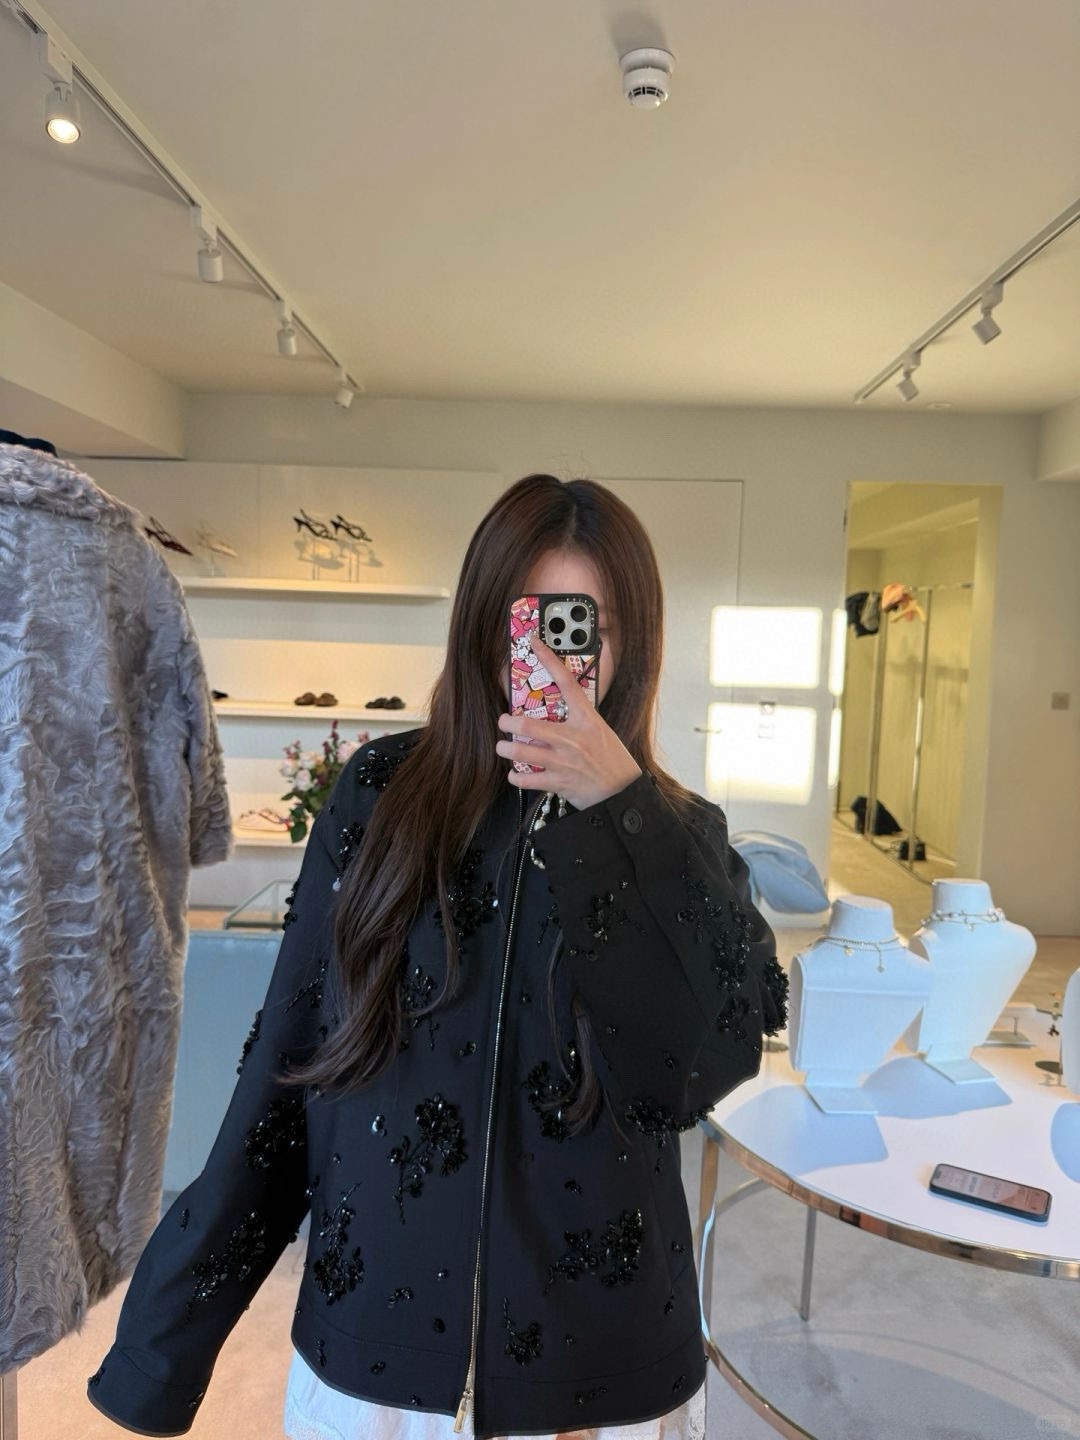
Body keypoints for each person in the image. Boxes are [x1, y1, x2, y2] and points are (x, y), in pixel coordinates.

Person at [87, 473, 789, 1440]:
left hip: (600, 1369)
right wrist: (163, 1349)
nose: (554, 658)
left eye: (585, 627)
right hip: (374, 1348)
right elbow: (291, 1062)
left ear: (630, 644)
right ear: (484, 627)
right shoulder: (382, 794)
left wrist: (619, 817)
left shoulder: (680, 835)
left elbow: (701, 1068)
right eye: (529, 622)